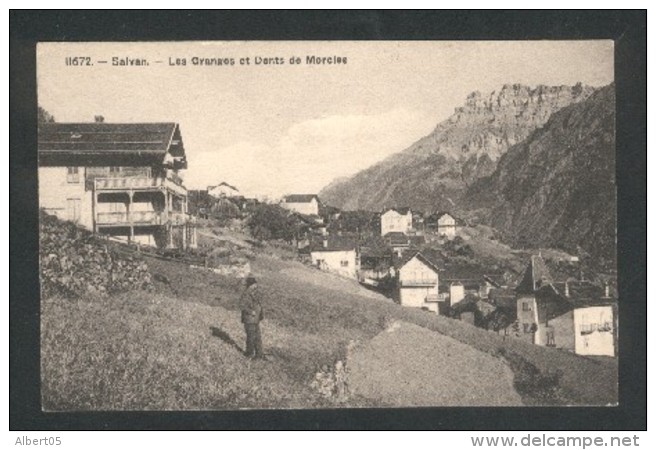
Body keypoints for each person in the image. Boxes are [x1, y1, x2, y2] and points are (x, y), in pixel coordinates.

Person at [239, 275, 266, 360]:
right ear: (251, 285)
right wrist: (251, 312)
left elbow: (258, 304)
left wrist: (260, 314)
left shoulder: (254, 293)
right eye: (254, 284)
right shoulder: (245, 295)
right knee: (251, 337)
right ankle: (249, 354)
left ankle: (259, 354)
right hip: (249, 319)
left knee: (257, 337)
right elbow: (242, 305)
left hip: (255, 319)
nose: (256, 286)